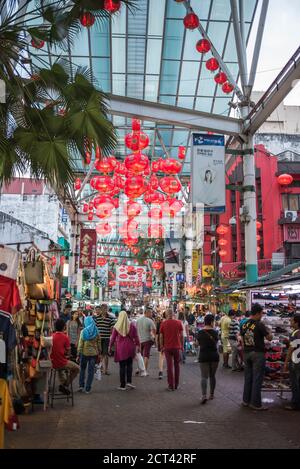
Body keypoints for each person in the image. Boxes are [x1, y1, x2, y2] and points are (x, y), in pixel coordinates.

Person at [240, 303, 273, 411]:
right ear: (258, 313)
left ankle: (246, 400)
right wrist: (270, 331)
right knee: (257, 379)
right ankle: (256, 403)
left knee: (248, 378)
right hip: (257, 354)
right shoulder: (259, 324)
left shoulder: (244, 324)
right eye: (262, 313)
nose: (262, 316)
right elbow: (269, 338)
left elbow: (242, 340)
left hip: (246, 353)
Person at [108, 311, 140, 391]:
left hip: (121, 348)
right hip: (130, 347)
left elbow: (113, 338)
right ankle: (129, 381)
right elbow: (136, 337)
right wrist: (138, 345)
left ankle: (122, 385)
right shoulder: (132, 326)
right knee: (129, 365)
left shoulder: (117, 326)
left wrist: (110, 346)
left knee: (122, 366)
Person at [50, 319, 80, 395]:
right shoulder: (65, 337)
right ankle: (65, 384)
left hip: (52, 363)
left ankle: (63, 385)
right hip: (62, 362)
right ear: (64, 327)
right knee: (77, 368)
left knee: (60, 369)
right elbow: (69, 353)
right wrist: (67, 355)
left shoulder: (51, 337)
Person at [197, 314, 219, 404]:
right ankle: (212, 394)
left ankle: (203, 396)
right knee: (212, 376)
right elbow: (217, 343)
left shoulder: (200, 332)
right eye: (214, 321)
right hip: (214, 356)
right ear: (211, 322)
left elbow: (197, 344)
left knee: (204, 376)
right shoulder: (215, 332)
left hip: (203, 356)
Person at [159, 308, 184, 391]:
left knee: (169, 367)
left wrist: (162, 346)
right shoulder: (178, 323)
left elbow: (161, 336)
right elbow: (181, 336)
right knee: (177, 366)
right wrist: (182, 346)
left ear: (166, 314)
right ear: (173, 314)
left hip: (167, 347)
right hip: (177, 347)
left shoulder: (163, 323)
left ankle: (171, 385)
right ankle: (176, 384)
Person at [77, 316, 101, 394]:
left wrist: (78, 354)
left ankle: (81, 386)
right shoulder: (96, 331)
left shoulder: (83, 331)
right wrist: (99, 352)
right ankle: (88, 388)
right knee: (91, 371)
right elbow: (99, 343)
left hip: (84, 353)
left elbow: (80, 344)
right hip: (94, 354)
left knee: (82, 370)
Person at [283, 314, 300, 411]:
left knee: (295, 383)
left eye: (292, 321)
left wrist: (285, 362)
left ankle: (295, 404)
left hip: (295, 361)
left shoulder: (294, 333)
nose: (290, 322)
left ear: (297, 323)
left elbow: (291, 349)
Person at [94, 304, 115, 375]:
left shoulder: (111, 318)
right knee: (99, 354)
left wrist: (112, 339)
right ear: (101, 309)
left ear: (107, 309)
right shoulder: (97, 318)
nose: (104, 310)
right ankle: (101, 368)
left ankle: (105, 369)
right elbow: (95, 328)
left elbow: (112, 329)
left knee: (105, 354)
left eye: (105, 309)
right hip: (99, 339)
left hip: (106, 338)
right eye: (102, 309)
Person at [136, 307, 156, 376]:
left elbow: (135, 330)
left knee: (139, 355)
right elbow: (154, 330)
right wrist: (153, 337)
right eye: (150, 313)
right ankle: (144, 371)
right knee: (146, 356)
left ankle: (139, 369)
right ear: (147, 313)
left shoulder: (138, 320)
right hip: (147, 339)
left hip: (139, 340)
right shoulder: (150, 321)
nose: (151, 314)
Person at [156, 312, 166, 379]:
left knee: (161, 356)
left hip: (161, 341)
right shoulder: (172, 323)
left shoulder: (160, 323)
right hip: (169, 342)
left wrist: (157, 342)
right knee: (169, 357)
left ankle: (160, 371)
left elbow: (157, 334)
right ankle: (169, 370)